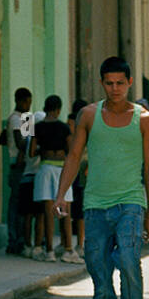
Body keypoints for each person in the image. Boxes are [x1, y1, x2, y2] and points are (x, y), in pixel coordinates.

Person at [52, 57, 149, 299]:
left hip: (130, 203)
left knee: (128, 261)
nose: (115, 89)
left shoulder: (145, 120)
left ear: (129, 84)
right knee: (99, 276)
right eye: (109, 83)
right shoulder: (89, 115)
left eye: (120, 83)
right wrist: (61, 195)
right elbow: (74, 156)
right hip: (96, 206)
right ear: (102, 84)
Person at [30, 95, 80, 263]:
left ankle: (49, 250)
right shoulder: (64, 127)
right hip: (61, 169)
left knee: (47, 213)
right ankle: (68, 250)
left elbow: (31, 151)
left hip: (44, 168)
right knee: (65, 211)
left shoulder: (37, 126)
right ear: (59, 109)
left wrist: (43, 149)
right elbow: (71, 150)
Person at [9, 90, 46, 259]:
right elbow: (22, 143)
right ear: (18, 101)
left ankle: (20, 240)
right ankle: (15, 241)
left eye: (29, 102)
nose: (28, 106)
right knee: (18, 207)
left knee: (23, 207)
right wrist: (36, 142)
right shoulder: (18, 118)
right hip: (18, 166)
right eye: (25, 102)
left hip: (24, 165)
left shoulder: (25, 119)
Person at [67, 99, 88, 253]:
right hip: (80, 167)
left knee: (76, 208)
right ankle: (78, 244)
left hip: (76, 168)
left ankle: (76, 244)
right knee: (77, 208)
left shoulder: (83, 124)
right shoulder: (87, 124)